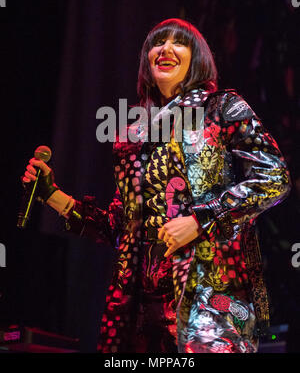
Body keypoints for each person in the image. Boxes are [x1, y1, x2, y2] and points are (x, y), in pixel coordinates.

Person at [22, 18, 291, 353]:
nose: (165, 48)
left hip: (204, 300)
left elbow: (273, 178)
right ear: (146, 61)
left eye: (178, 42)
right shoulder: (133, 132)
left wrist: (199, 220)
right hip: (135, 310)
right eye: (157, 42)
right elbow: (122, 227)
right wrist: (51, 195)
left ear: (198, 58)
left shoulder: (221, 108)